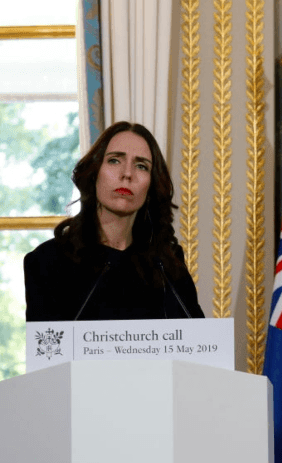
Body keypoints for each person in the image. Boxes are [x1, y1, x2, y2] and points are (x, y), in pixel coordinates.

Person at [24, 121, 204, 321]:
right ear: (94, 173)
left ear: (151, 185)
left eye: (141, 166)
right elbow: (46, 348)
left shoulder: (167, 263)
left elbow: (197, 342)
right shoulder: (47, 261)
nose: (127, 174)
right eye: (114, 161)